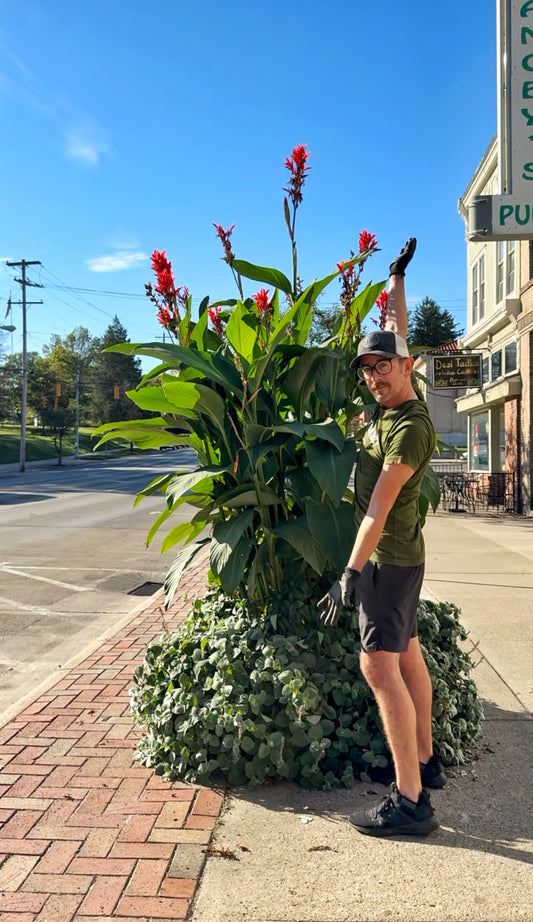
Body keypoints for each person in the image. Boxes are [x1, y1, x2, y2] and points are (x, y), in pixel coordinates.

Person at [318, 237, 445, 837]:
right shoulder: (403, 396)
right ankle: (424, 759)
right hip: (402, 562)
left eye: (382, 366)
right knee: (410, 653)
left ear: (406, 368)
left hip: (387, 561)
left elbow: (377, 508)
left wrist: (350, 574)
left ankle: (411, 801)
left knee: (379, 666)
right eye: (366, 367)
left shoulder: (408, 432)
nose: (373, 375)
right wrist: (395, 278)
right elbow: (393, 326)